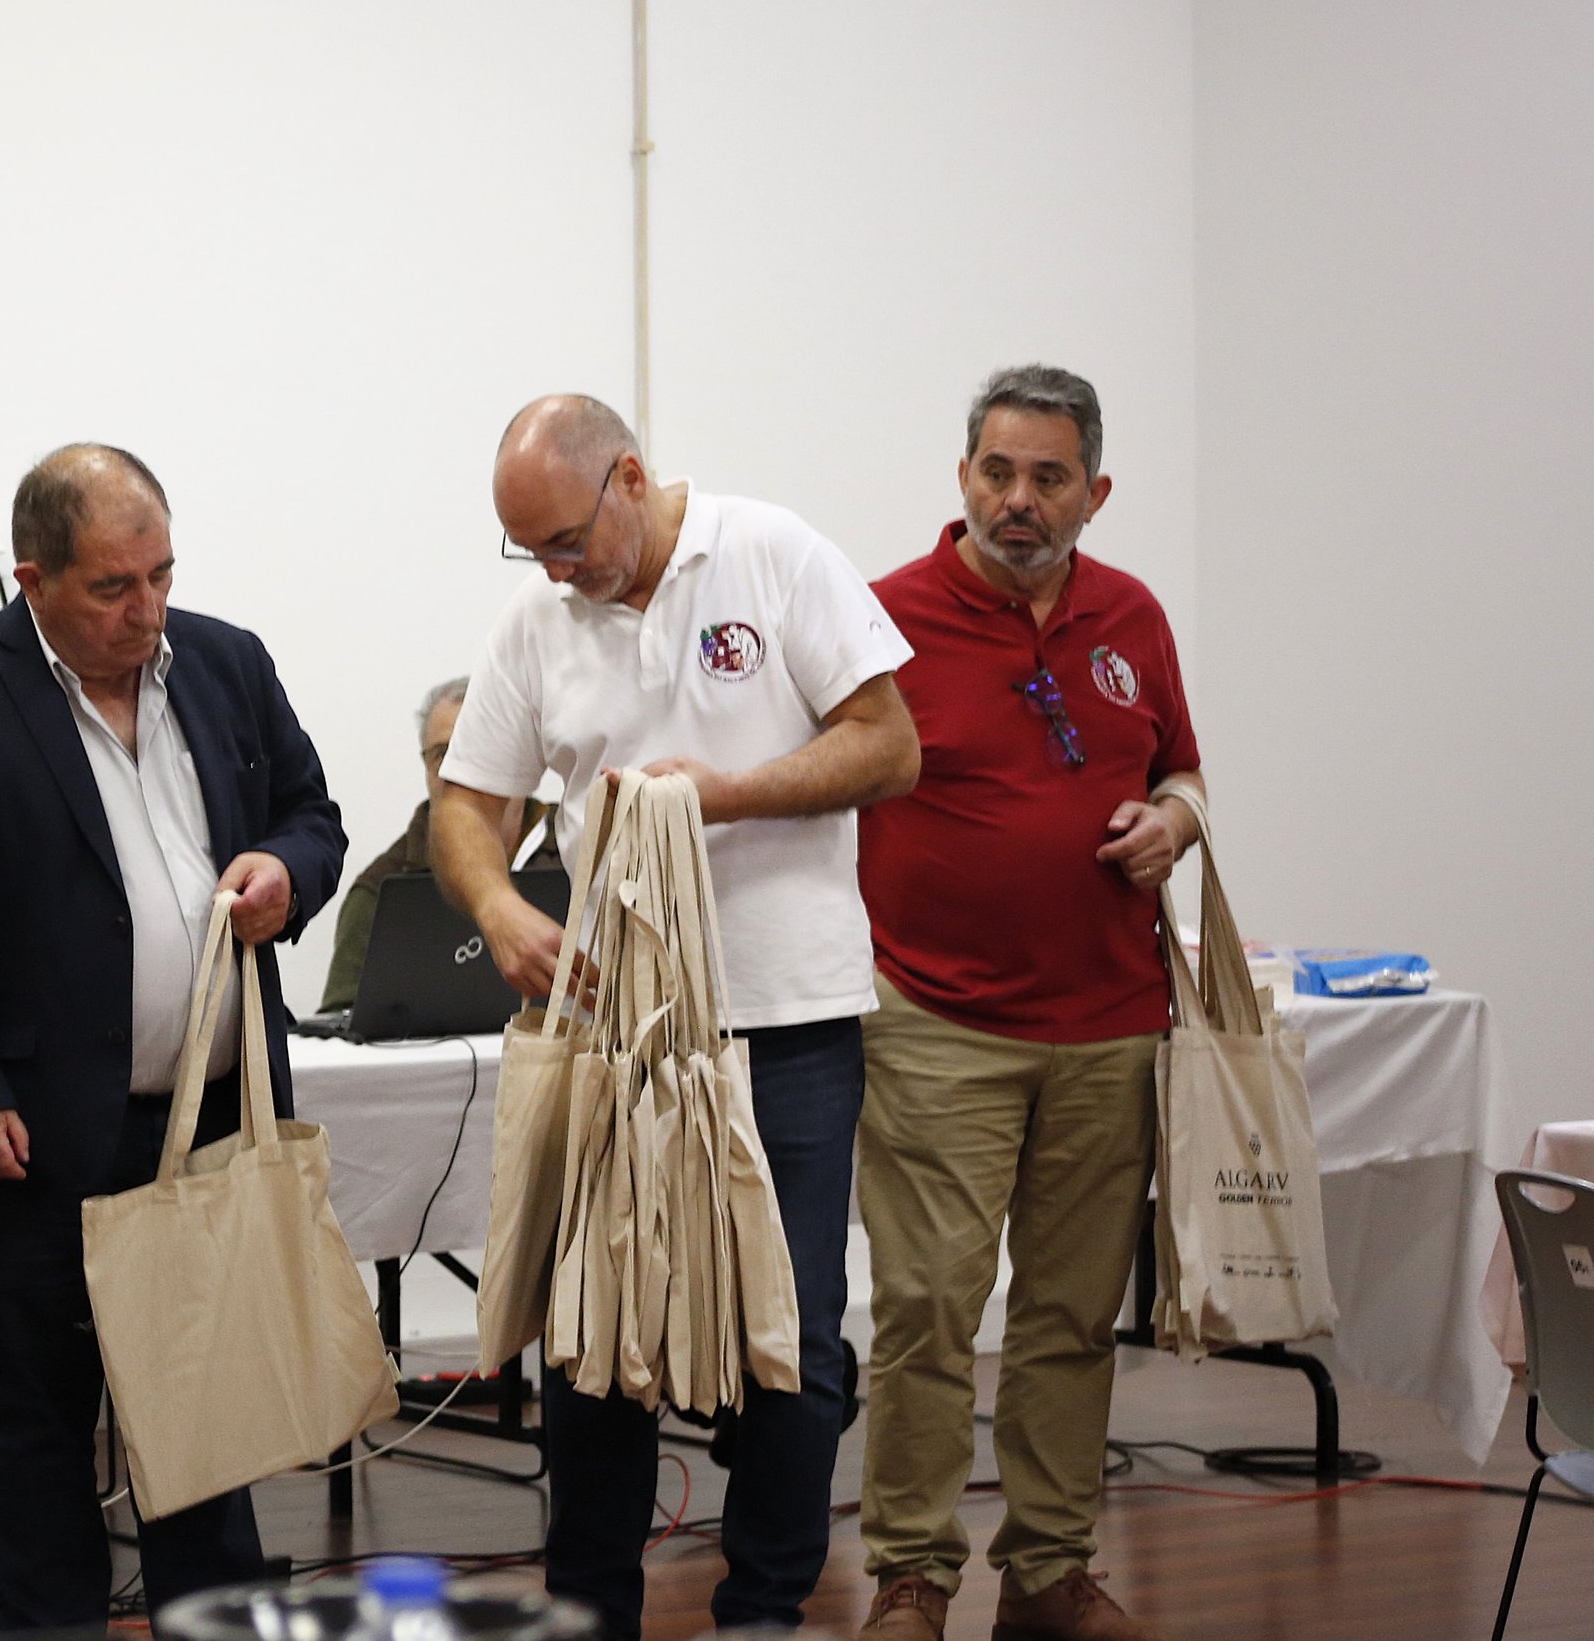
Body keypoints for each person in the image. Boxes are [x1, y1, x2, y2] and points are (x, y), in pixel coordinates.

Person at [435, 394, 920, 1637]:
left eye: (563, 538)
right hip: (614, 1032)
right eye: (527, 549)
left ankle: (762, 1609)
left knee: (791, 1338)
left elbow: (889, 746)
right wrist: (497, 908)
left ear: (631, 477)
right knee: (597, 1335)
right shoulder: (537, 623)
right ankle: (591, 1610)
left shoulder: (770, 553)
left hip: (787, 1018)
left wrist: (730, 795)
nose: (554, 568)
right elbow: (464, 805)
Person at [0, 443, 346, 1636]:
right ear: (33, 580)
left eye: (162, 575)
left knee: (209, 1428)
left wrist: (286, 869)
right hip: (32, 1138)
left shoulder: (226, 663)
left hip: (207, 1124)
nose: (148, 611)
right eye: (113, 588)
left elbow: (313, 818)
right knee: (38, 1433)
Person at [851, 367, 1200, 1641]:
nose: (1017, 499)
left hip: (1112, 1024)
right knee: (928, 1308)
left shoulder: (1133, 616)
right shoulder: (881, 618)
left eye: (1047, 478)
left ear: (1093, 493)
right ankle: (910, 1574)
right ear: (961, 478)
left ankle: (1049, 1570)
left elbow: (1184, 770)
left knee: (1068, 1318)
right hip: (936, 1022)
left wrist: (1175, 819)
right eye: (996, 471)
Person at [317, 676, 555, 1012]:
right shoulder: (380, 891)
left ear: (525, 757)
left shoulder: (587, 853)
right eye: (443, 753)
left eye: (480, 745)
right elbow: (343, 1031)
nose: (460, 768)